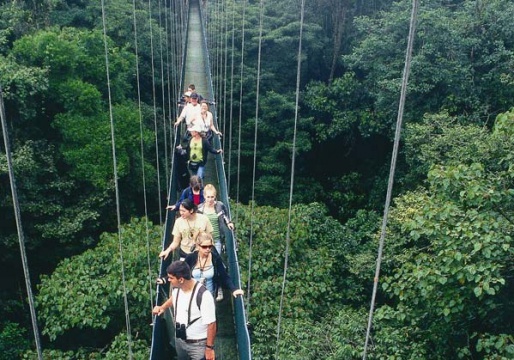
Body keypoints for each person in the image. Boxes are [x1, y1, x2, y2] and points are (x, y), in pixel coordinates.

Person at [152, 261, 216, 360]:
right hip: (180, 340)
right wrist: (163, 307)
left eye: (171, 278)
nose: (168, 280)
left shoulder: (204, 295)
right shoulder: (177, 288)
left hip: (198, 345)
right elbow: (174, 298)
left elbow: (211, 323)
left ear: (181, 279)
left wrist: (209, 348)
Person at [185, 232, 244, 302]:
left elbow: (224, 275)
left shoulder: (215, 258)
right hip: (192, 296)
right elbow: (182, 274)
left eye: (210, 246)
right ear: (198, 246)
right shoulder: (190, 258)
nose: (208, 249)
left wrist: (234, 289)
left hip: (209, 296)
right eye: (204, 247)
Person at [197, 184, 234, 255]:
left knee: (216, 260)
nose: (210, 199)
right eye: (208, 197)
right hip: (204, 241)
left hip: (217, 239)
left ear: (215, 196)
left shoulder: (220, 205)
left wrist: (229, 223)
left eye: (212, 197)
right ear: (204, 196)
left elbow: (224, 216)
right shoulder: (200, 209)